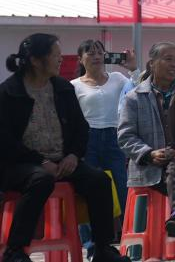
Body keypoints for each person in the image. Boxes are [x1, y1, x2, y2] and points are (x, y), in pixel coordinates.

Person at [1, 34, 132, 262]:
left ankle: (102, 249)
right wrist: (41, 162)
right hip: (21, 165)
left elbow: (81, 129)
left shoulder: (62, 88)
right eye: (55, 56)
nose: (61, 60)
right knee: (41, 180)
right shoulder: (9, 92)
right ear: (35, 60)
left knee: (100, 180)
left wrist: (73, 155)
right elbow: (5, 141)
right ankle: (15, 250)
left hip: (63, 161)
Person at [117, 42, 175, 260]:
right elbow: (125, 136)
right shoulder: (134, 97)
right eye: (168, 59)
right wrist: (150, 153)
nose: (174, 64)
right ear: (152, 63)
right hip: (150, 165)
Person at [70, 39, 135, 246]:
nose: (96, 57)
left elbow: (141, 89)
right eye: (90, 53)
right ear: (81, 59)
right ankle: (90, 242)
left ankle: (129, 237)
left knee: (121, 186)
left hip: (114, 137)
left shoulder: (117, 78)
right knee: (88, 188)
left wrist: (133, 69)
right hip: (87, 139)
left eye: (100, 52)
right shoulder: (74, 85)